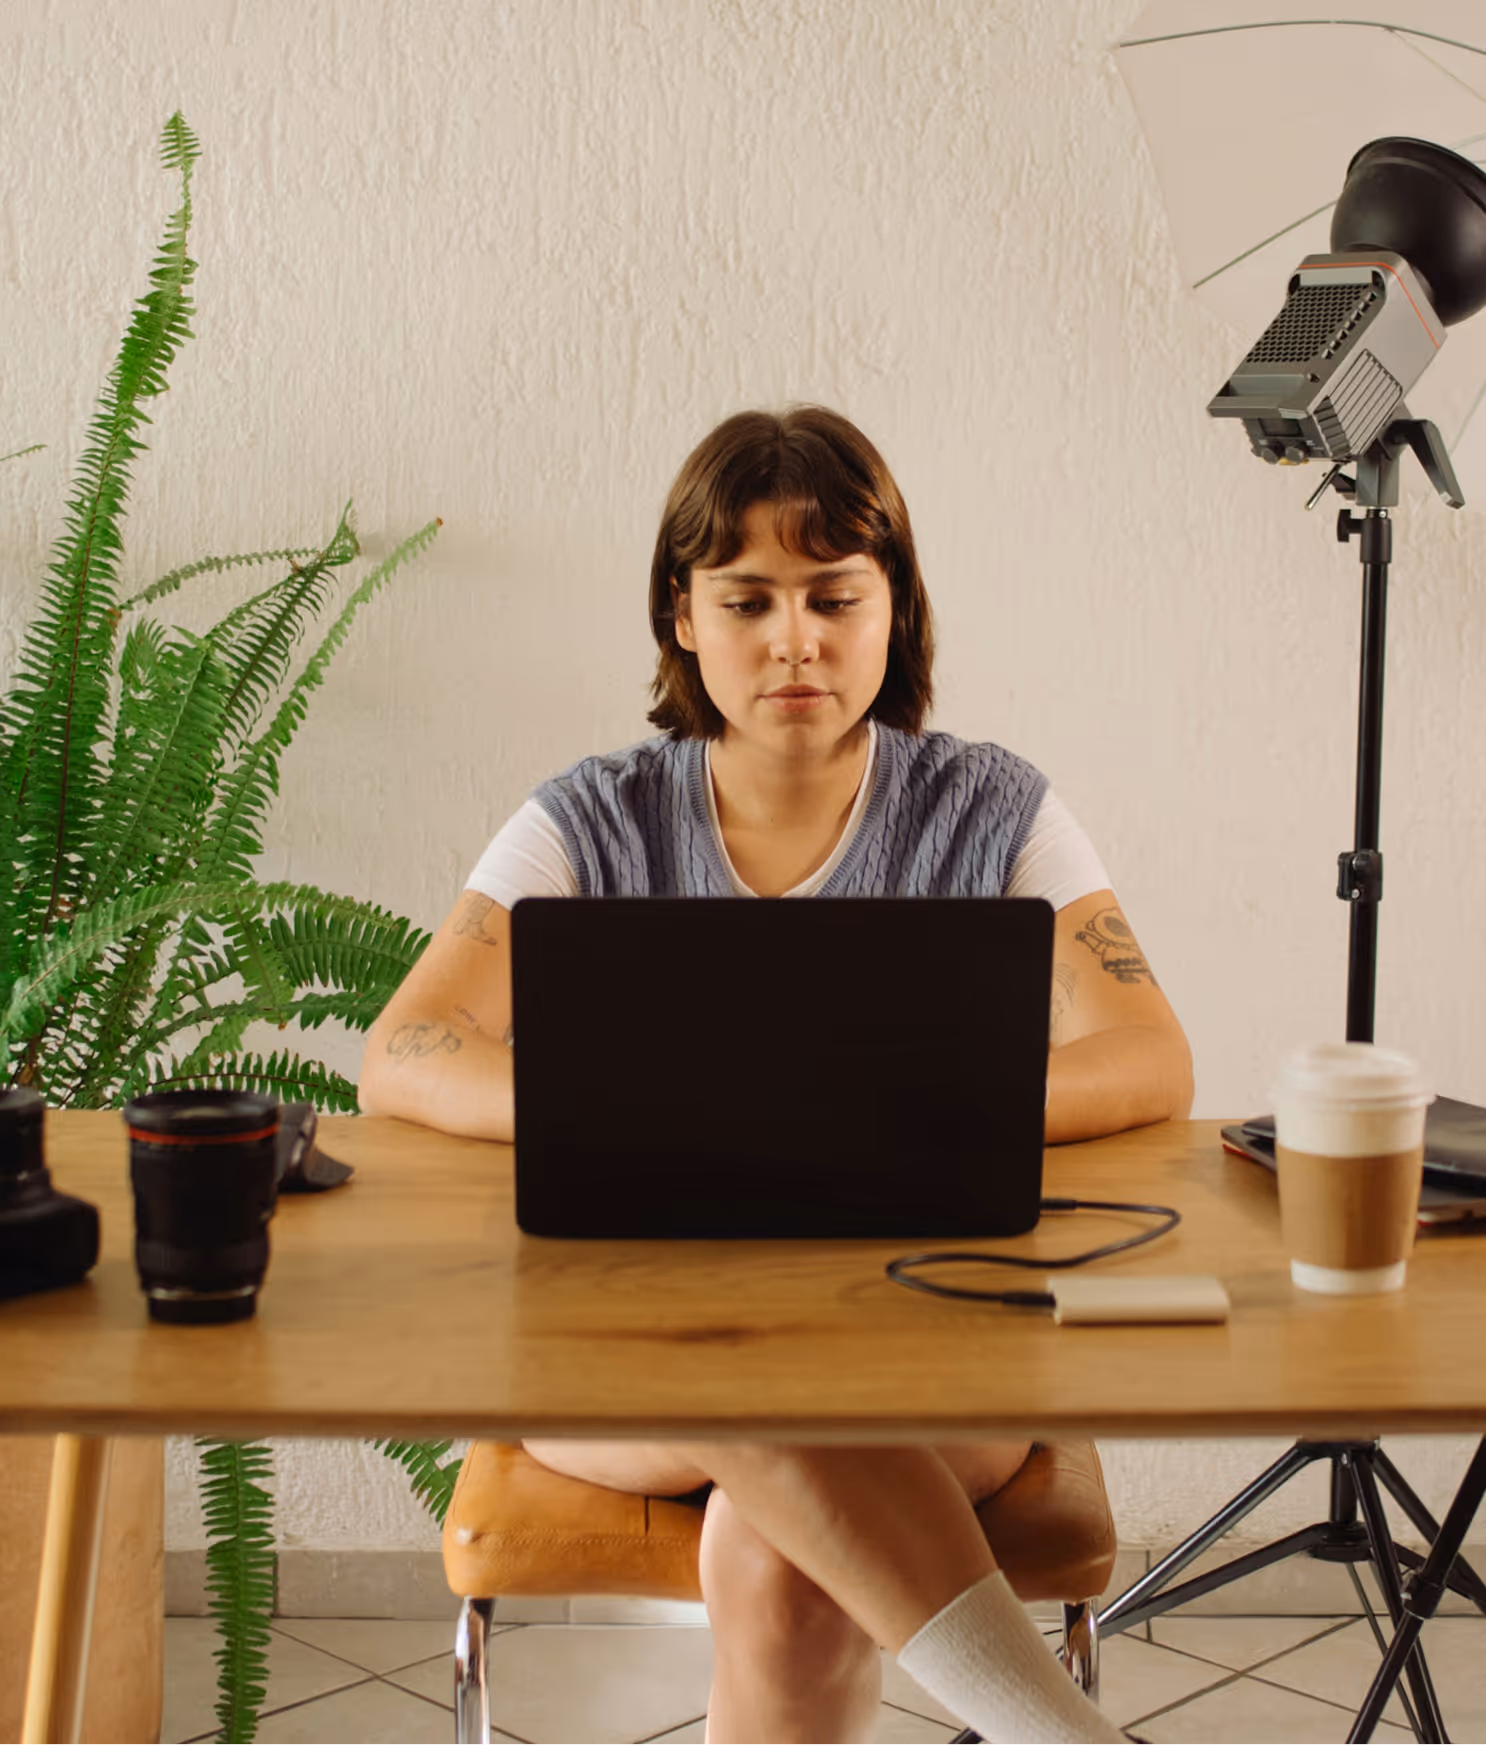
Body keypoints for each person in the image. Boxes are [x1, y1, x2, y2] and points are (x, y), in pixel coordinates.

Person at [359, 406, 1192, 1745]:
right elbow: (400, 1051)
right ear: (682, 617)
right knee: (753, 1388)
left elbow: (1149, 1054)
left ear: (891, 612)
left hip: (925, 1349)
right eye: (746, 599)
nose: (793, 639)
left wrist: (925, 1119)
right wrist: (616, 1115)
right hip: (627, 1360)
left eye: (830, 597)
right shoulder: (590, 814)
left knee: (780, 1566)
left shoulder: (994, 806)